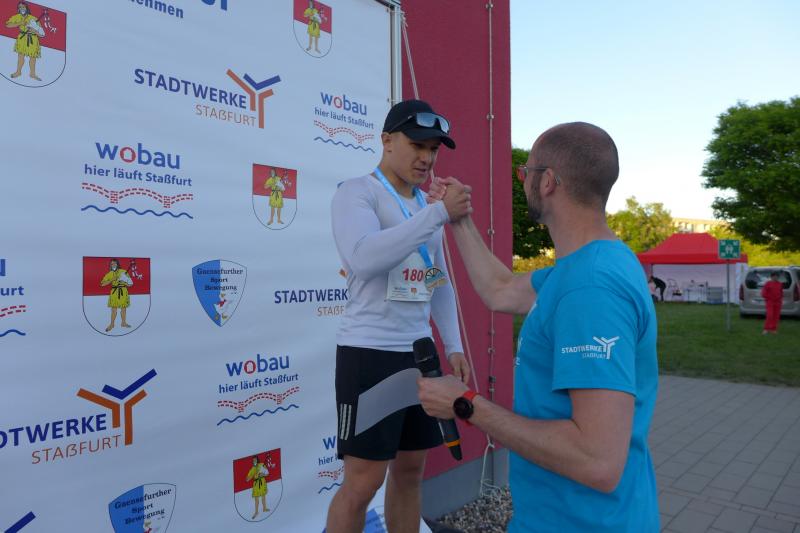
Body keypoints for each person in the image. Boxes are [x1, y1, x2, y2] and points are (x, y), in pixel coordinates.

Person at [418, 122, 660, 531]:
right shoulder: (586, 267)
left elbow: (598, 461)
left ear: (547, 181)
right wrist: (458, 220)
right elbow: (499, 290)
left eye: (524, 172)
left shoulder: (590, 288)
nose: (522, 180)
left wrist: (465, 403)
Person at [326, 99, 473, 533]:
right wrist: (438, 213)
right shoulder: (357, 192)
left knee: (410, 473)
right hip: (370, 354)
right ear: (387, 141)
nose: (426, 158)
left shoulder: (425, 206)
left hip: (419, 357)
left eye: (433, 149)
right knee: (362, 484)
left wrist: (454, 344)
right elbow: (364, 258)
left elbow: (437, 280)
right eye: (417, 145)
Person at [5, 2, 43, 81]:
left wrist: (34, 31)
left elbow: (41, 33)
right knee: (20, 57)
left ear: (27, 8)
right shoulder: (17, 17)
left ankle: (32, 74)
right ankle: (18, 72)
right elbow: (7, 25)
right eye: (20, 7)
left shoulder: (33, 18)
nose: (22, 8)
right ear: (18, 9)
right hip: (22, 39)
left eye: (23, 7)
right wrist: (19, 23)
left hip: (32, 39)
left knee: (33, 57)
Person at [100, 258, 132, 332]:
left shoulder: (123, 272)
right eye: (112, 264)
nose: (113, 265)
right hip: (114, 292)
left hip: (123, 291)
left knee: (123, 308)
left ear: (117, 264)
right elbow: (102, 284)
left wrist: (124, 282)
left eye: (114, 263)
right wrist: (112, 279)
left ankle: (123, 323)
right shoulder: (110, 274)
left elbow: (130, 284)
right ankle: (112, 324)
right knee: (114, 309)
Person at [245, 455, 269, 519]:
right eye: (253, 460)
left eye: (255, 460)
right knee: (256, 499)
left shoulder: (262, 465)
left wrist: (262, 474)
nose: (254, 461)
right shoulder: (252, 469)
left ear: (257, 460)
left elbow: (267, 473)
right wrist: (249, 477)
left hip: (262, 482)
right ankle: (256, 512)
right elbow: (247, 479)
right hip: (256, 484)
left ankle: (264, 508)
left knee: (263, 496)